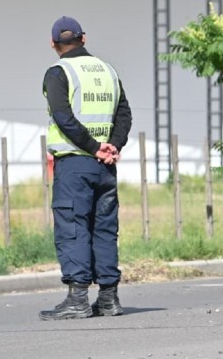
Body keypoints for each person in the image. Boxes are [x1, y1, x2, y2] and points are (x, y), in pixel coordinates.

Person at [39, 16, 132, 320]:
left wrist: (93, 147)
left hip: (75, 164)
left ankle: (78, 299)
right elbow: (124, 114)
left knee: (73, 227)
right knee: (104, 229)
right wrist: (112, 146)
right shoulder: (109, 71)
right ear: (84, 38)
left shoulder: (58, 72)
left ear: (54, 44)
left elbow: (64, 118)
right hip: (105, 167)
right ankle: (109, 298)